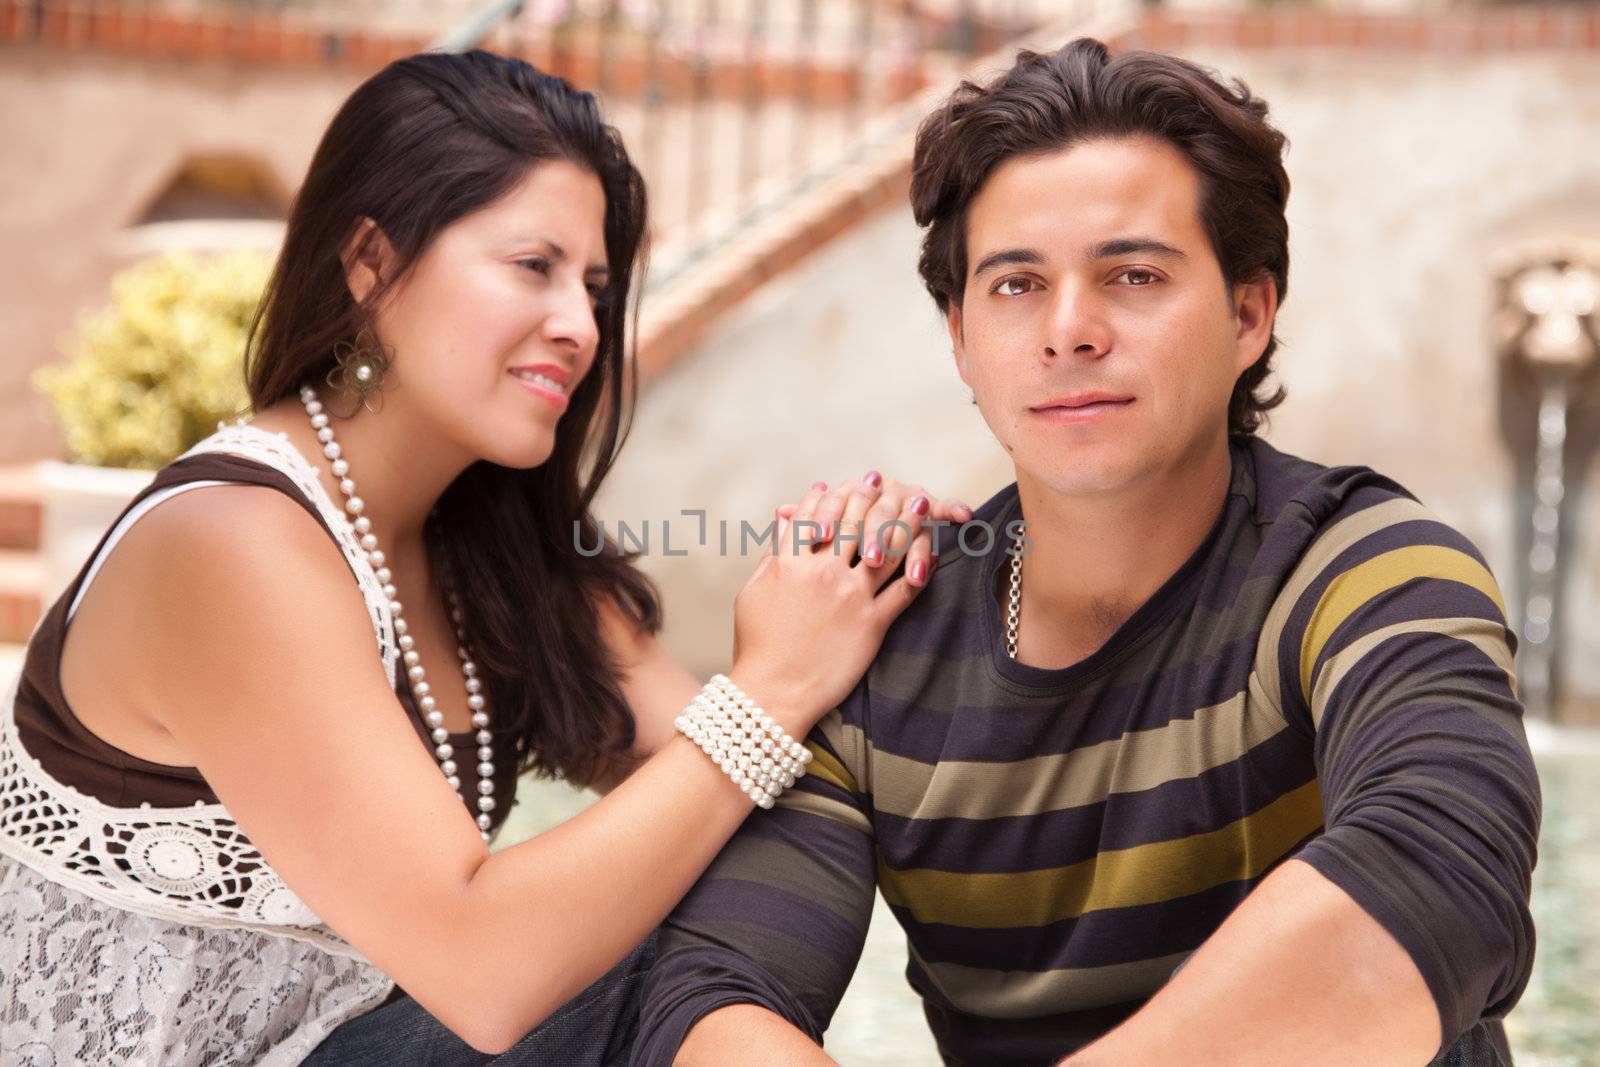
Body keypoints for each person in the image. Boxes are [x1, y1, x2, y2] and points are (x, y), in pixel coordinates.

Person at [0, 50, 964, 1065]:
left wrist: (859, 575)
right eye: (531, 266)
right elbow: (489, 973)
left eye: (594, 288)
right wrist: (768, 685)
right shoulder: (232, 542)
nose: (579, 326)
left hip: (361, 1040)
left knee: (750, 870)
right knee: (651, 963)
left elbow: (757, 783)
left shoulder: (489, 553)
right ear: (371, 263)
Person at [635, 37, 1541, 1067]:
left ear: (1248, 313)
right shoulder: (881, 628)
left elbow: (1443, 880)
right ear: (961, 337)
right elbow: (716, 994)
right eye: (1016, 285)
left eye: (1133, 273)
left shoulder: (1363, 568)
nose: (1069, 330)